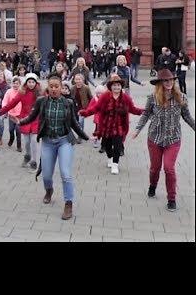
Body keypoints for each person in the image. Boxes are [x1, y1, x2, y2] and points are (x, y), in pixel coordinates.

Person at [17, 75, 89, 220]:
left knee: (65, 173)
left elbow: (74, 123)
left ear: (61, 88)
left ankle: (68, 203)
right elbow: (32, 116)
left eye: (57, 86)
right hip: (48, 142)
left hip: (64, 141)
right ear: (47, 88)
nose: (54, 89)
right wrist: (21, 122)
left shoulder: (68, 103)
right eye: (52, 86)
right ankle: (49, 191)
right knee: (47, 175)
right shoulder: (42, 101)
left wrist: (87, 136)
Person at [132, 69, 195, 212]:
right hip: (154, 139)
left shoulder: (181, 97)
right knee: (155, 168)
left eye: (172, 80)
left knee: (169, 168)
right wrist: (137, 129)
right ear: (160, 83)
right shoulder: (153, 98)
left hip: (173, 139)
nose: (169, 83)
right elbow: (146, 114)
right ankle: (152, 186)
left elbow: (187, 117)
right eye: (166, 80)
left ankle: (171, 199)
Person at [79, 75, 143, 175]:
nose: (116, 87)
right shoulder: (105, 96)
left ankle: (115, 164)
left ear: (121, 86)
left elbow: (132, 109)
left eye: (118, 85)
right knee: (108, 146)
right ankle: (110, 158)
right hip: (106, 126)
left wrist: (143, 111)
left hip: (120, 126)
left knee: (117, 146)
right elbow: (96, 108)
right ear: (110, 86)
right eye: (114, 85)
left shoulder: (126, 98)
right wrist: (85, 113)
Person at [0, 73, 41, 169]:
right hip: (25, 119)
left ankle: (34, 161)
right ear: (26, 82)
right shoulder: (22, 92)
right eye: (29, 82)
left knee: (34, 141)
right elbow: (12, 102)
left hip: (36, 119)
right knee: (27, 142)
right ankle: (27, 156)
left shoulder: (40, 92)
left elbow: (48, 101)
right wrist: (2, 111)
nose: (31, 84)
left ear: (36, 82)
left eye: (33, 82)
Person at [1, 76, 23, 151]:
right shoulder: (9, 91)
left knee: (18, 130)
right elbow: (5, 101)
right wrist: (4, 109)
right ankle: (11, 138)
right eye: (14, 83)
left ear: (20, 84)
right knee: (11, 129)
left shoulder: (22, 92)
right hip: (11, 114)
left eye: (17, 83)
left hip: (20, 114)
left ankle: (19, 146)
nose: (15, 85)